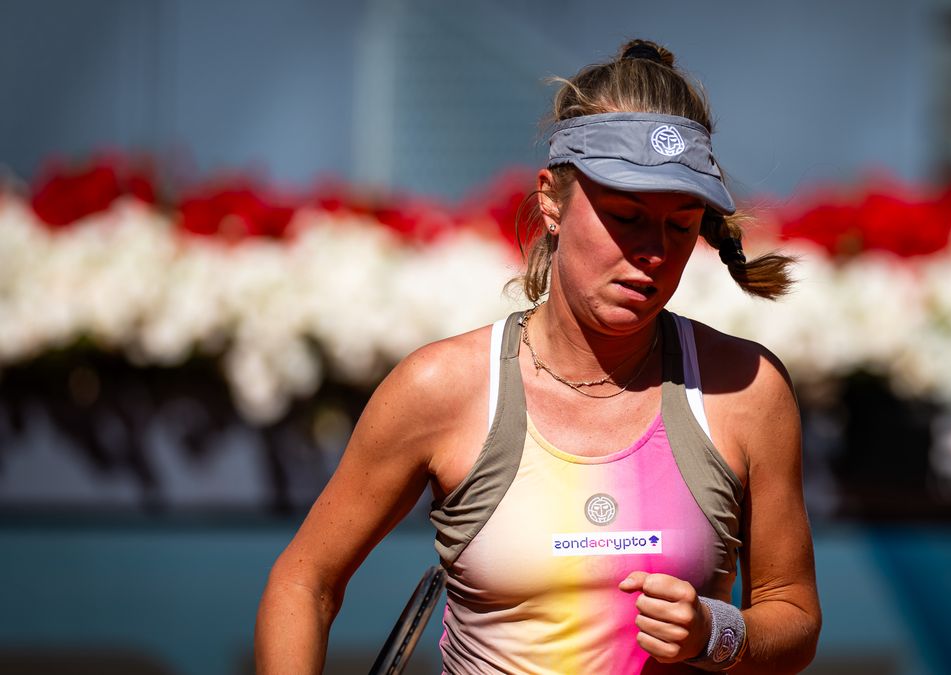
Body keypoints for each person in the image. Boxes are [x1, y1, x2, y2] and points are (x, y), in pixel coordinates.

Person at [256, 39, 821, 674]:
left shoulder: (748, 389)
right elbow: (303, 583)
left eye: (681, 224)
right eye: (625, 215)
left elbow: (793, 616)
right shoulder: (439, 387)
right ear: (551, 198)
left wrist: (717, 632)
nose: (653, 251)